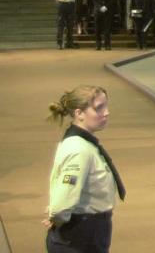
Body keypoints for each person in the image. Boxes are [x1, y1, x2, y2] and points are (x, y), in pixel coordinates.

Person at [45, 85, 125, 253]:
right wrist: (57, 216)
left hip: (89, 229)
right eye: (99, 108)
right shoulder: (79, 150)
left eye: (106, 106)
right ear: (79, 113)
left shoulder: (83, 143)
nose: (106, 112)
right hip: (79, 235)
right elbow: (62, 203)